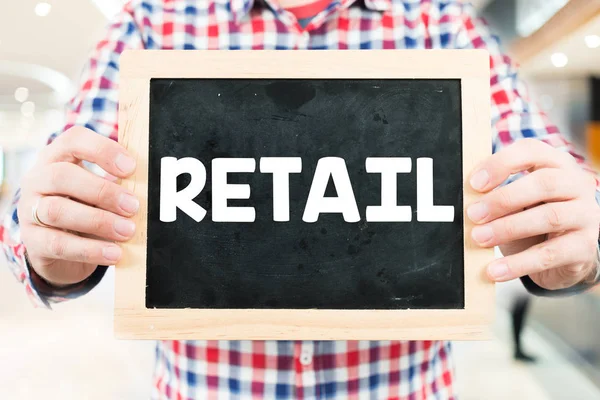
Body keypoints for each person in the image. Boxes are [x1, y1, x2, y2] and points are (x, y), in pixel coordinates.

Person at [3, 0, 600, 398]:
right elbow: (46, 205)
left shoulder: (438, 21)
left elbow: (558, 190)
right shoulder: (153, 22)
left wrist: (575, 245)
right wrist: (52, 245)